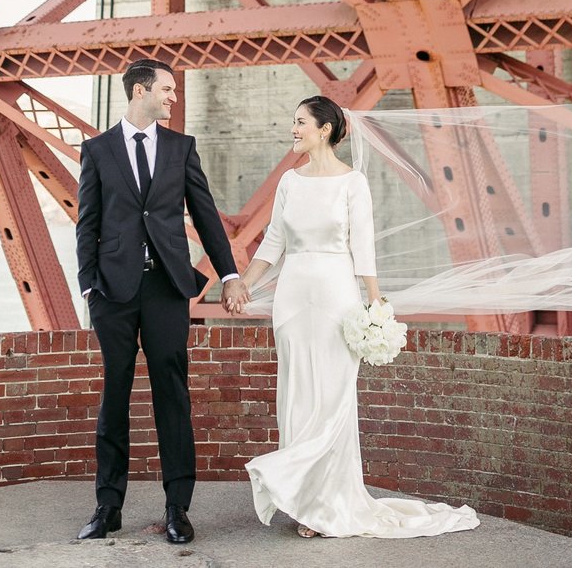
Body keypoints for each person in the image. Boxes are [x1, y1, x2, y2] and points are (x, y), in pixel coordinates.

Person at [235, 95, 479, 539]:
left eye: (299, 122)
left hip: (335, 295)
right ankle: (304, 502)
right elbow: (273, 243)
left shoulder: (353, 183)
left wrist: (374, 303)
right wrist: (244, 284)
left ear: (324, 129)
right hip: (292, 298)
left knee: (332, 399)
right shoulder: (289, 181)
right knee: (298, 396)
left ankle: (327, 503)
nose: (293, 129)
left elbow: (362, 248)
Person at [75, 58, 248, 543]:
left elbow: (207, 216)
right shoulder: (98, 150)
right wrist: (89, 285)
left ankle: (178, 508)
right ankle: (107, 506)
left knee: (173, 396)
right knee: (115, 396)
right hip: (113, 291)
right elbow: (87, 221)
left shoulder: (180, 147)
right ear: (140, 91)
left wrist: (230, 273)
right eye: (167, 90)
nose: (174, 97)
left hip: (168, 288)